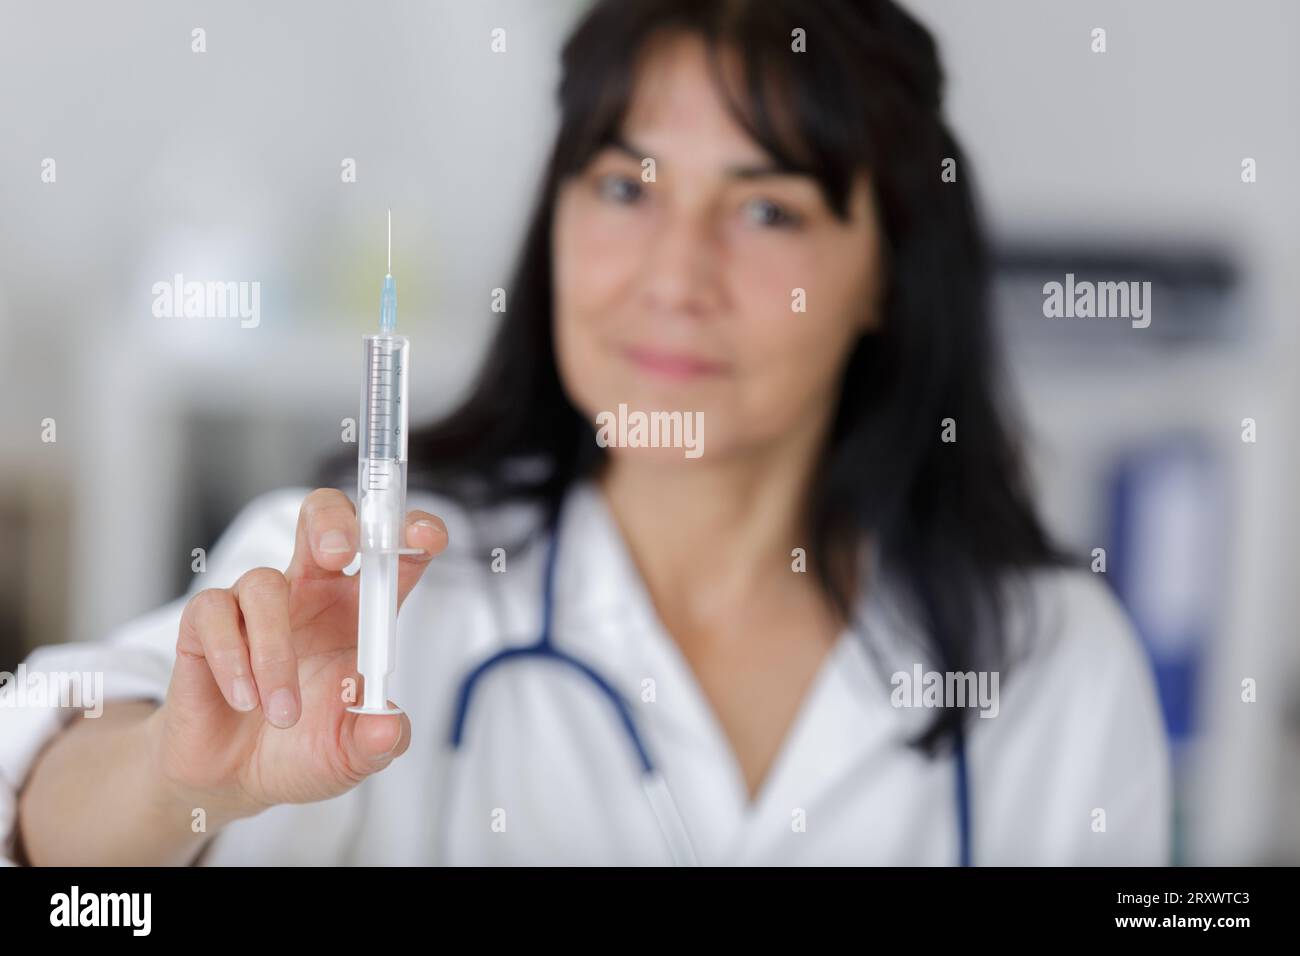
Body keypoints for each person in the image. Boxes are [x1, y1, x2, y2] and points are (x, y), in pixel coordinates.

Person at [4, 0, 1170, 866]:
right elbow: (49, 820)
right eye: (625, 187)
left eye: (765, 207)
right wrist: (177, 783)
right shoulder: (370, 585)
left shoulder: (1060, 659)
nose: (674, 274)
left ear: (886, 273)